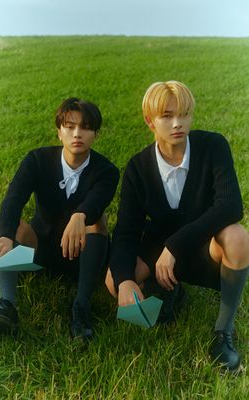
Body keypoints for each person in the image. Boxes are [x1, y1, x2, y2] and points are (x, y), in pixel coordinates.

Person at [106, 80, 249, 371]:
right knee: (112, 280)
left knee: (237, 236)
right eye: (167, 116)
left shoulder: (213, 146)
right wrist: (124, 281)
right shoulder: (137, 167)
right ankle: (167, 292)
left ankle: (223, 331)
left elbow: (231, 206)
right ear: (150, 121)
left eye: (184, 114)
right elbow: (125, 232)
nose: (177, 123)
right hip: (157, 248)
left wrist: (174, 246)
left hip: (202, 247)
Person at [0, 97, 119, 340]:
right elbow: (13, 201)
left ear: (95, 134)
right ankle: (7, 304)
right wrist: (5, 234)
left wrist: (80, 215)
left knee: (98, 221)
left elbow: (97, 202)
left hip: (84, 255)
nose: (77, 133)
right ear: (59, 131)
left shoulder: (106, 171)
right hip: (42, 250)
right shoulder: (37, 160)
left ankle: (81, 306)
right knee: (16, 225)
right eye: (70, 126)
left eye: (85, 127)